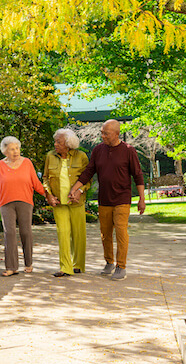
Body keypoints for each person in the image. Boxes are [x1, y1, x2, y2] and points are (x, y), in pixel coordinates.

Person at [69, 119, 145, 280]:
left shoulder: (128, 150)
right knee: (105, 234)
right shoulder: (98, 150)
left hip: (122, 198)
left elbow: (138, 175)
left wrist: (142, 199)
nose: (102, 135)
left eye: (106, 133)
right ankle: (109, 262)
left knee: (121, 231)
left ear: (116, 134)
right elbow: (88, 172)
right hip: (104, 199)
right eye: (102, 132)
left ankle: (121, 266)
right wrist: (75, 189)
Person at [0, 136, 46, 276]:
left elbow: (36, 183)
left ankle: (28, 263)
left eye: (17, 148)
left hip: (25, 201)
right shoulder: (0, 166)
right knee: (9, 233)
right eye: (12, 149)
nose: (16, 151)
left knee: (25, 232)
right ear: (5, 151)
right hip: (6, 203)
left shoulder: (27, 163)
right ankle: (11, 267)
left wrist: (49, 196)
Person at [43, 128, 91, 277]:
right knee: (62, 234)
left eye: (59, 142)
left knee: (78, 234)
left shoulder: (81, 156)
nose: (55, 144)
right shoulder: (50, 156)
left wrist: (79, 191)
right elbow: (45, 178)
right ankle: (65, 267)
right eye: (55, 141)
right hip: (59, 203)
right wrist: (48, 195)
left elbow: (87, 179)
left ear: (68, 144)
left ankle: (78, 264)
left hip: (76, 202)